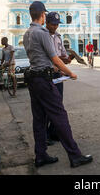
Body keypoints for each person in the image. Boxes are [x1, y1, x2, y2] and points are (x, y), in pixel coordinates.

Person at [23, 1, 92, 168]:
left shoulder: (27, 33)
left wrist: (57, 69)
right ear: (42, 15)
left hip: (33, 79)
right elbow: (54, 58)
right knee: (60, 116)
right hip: (44, 80)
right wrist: (70, 73)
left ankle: (40, 155)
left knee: (39, 119)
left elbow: (41, 58)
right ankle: (75, 156)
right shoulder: (42, 32)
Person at [44, 12, 75, 145]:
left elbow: (61, 54)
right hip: (47, 75)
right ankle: (45, 135)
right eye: (53, 24)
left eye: (57, 24)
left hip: (57, 75)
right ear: (47, 23)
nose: (55, 27)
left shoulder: (58, 37)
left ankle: (53, 133)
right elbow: (50, 57)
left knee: (58, 104)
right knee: (47, 106)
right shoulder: (43, 36)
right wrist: (62, 62)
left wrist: (67, 59)